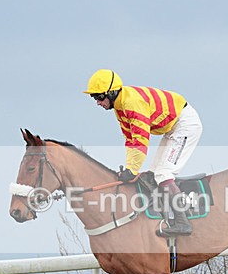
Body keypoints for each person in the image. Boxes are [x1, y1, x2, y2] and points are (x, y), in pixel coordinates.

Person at [83, 69, 202, 236]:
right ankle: (164, 213)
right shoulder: (120, 108)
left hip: (184, 125)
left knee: (163, 173)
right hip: (172, 127)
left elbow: (141, 140)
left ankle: (183, 222)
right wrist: (130, 168)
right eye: (94, 97)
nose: (97, 102)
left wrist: (132, 170)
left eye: (99, 97)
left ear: (111, 92)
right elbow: (130, 140)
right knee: (153, 175)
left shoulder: (131, 104)